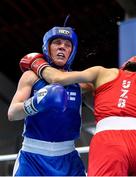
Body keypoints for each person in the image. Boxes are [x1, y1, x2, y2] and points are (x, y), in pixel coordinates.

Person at [19, 54, 136, 176]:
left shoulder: (102, 72)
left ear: (125, 65)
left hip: (109, 141)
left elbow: (57, 79)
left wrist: (36, 63)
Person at [7, 26, 93, 176]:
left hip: (68, 158)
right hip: (32, 157)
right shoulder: (31, 76)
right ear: (47, 47)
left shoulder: (81, 83)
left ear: (72, 51)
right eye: (57, 43)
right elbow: (12, 113)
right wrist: (35, 103)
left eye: (67, 45)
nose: (62, 47)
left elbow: (104, 111)